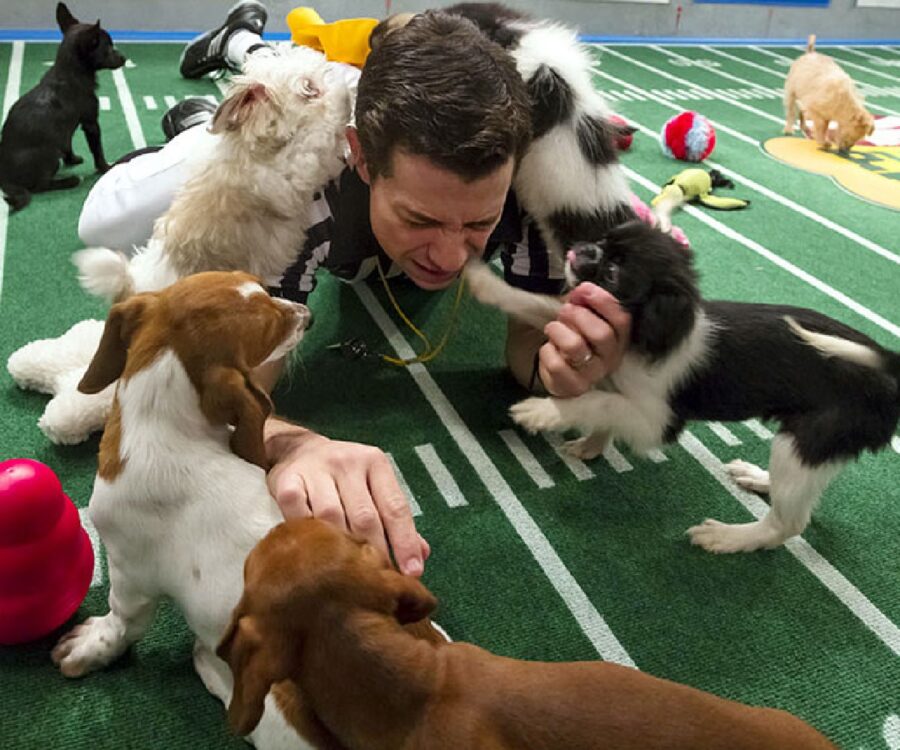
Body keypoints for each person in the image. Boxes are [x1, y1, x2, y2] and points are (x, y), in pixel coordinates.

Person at [77, 3, 632, 580]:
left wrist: (566, 368)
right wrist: (294, 444)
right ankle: (203, 116)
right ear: (360, 157)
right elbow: (245, 389)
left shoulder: (537, 189)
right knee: (106, 223)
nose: (450, 256)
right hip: (290, 123)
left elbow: (531, 353)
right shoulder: (305, 184)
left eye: (476, 224)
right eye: (419, 219)